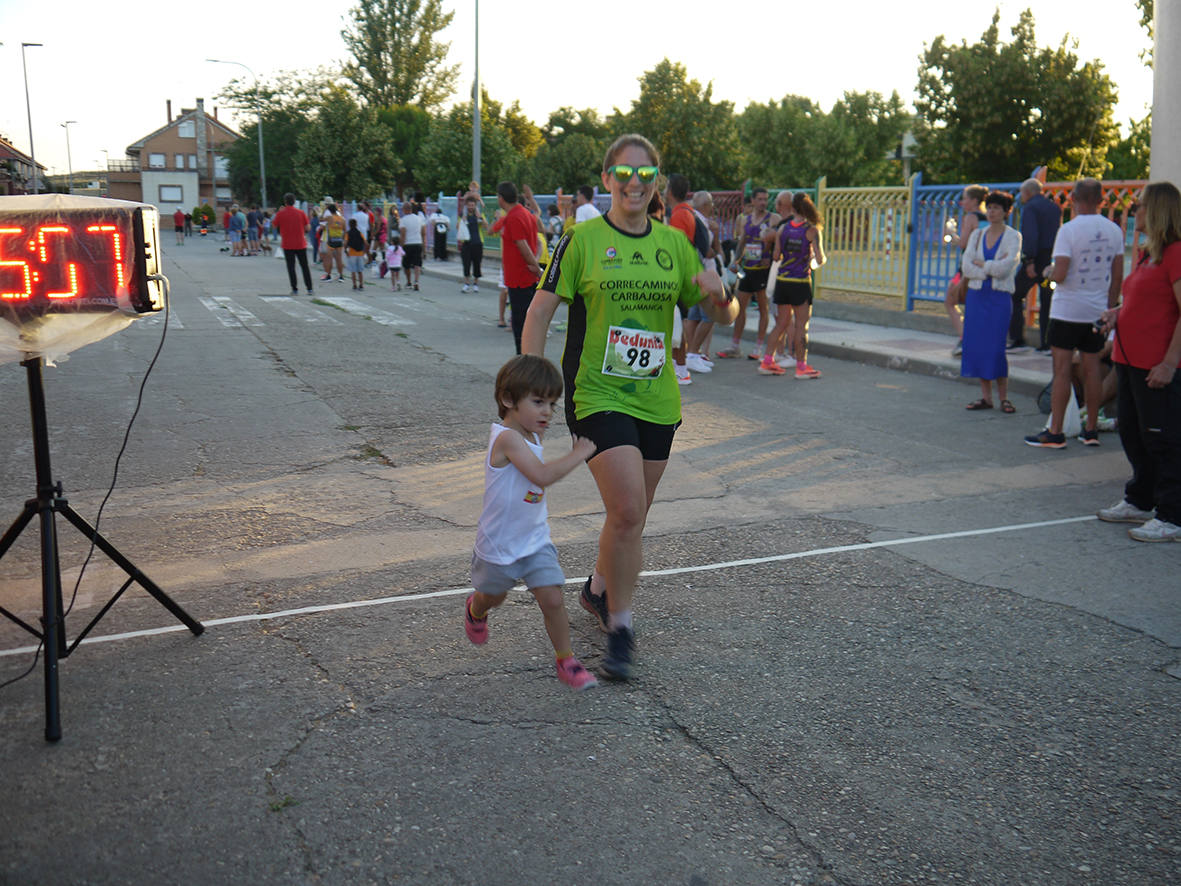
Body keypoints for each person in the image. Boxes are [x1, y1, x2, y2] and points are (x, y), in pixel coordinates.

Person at [521, 133, 740, 680]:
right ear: (607, 179)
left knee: (632, 517)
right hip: (597, 392)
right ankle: (620, 626)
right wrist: (529, 389)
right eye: (624, 173)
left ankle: (598, 589)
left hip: (657, 398)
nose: (634, 183)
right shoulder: (581, 240)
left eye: (645, 175)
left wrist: (722, 295)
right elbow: (540, 311)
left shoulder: (674, 245)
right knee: (626, 511)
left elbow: (724, 313)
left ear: (656, 181)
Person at [466, 355, 599, 690]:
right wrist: (578, 453)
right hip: (499, 544)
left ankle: (566, 660)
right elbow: (540, 476)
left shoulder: (531, 435)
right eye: (538, 402)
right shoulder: (508, 438)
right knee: (493, 596)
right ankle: (476, 609)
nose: (547, 412)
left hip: (535, 541)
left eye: (552, 404)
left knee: (552, 598)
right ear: (508, 400)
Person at [1096, 181, 1181, 541]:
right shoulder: (1150, 253)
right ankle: (1141, 498)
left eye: (1141, 205)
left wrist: (1169, 363)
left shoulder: (1175, 253)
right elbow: (1142, 300)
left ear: (1158, 210)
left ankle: (1173, 514)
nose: (1135, 210)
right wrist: (1117, 312)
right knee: (1133, 432)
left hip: (1156, 364)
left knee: (1164, 439)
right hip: (1129, 360)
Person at [1025, 179, 1124, 448]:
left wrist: (1048, 272)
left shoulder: (1068, 230)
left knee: (1062, 370)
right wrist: (1108, 307)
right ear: (1101, 200)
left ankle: (1056, 431)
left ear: (1074, 200)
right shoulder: (1114, 230)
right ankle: (1090, 429)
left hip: (1067, 309)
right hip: (1096, 310)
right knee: (1092, 371)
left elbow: (1060, 273)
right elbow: (1117, 276)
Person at [959, 190, 1021, 410]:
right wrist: (989, 269)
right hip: (977, 296)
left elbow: (1007, 268)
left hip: (998, 298)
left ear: (1006, 212)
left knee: (996, 348)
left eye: (997, 208)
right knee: (977, 346)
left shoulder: (1013, 236)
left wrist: (983, 265)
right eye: (990, 207)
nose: (992, 212)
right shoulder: (977, 235)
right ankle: (986, 397)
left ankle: (1004, 397)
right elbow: (966, 266)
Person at [758, 192, 827, 378]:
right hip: (800, 282)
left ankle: (767, 362)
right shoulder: (812, 230)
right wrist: (810, 259)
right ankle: (801, 367)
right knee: (801, 326)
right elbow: (820, 259)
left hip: (782, 281)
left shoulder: (783, 229)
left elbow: (776, 256)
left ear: (793, 208)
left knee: (781, 324)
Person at [720, 187, 776, 359]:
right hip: (748, 269)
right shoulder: (746, 220)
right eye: (760, 199)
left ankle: (758, 348)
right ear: (752, 201)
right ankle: (735, 346)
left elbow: (778, 240)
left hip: (763, 270)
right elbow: (742, 242)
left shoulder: (773, 218)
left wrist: (770, 257)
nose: (763, 203)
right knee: (740, 307)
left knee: (763, 308)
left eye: (765, 199)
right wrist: (735, 261)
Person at [491, 181, 544, 354]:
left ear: (501, 198)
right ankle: (529, 359)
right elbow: (537, 243)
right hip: (526, 277)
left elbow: (523, 247)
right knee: (529, 325)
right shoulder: (526, 214)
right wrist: (535, 264)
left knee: (521, 328)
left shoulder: (514, 217)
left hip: (519, 280)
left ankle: (524, 362)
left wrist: (537, 268)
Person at [1012, 178, 1062, 350]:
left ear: (1027, 192)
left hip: (1035, 261)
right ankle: (1047, 343)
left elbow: (1031, 235)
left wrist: (1029, 261)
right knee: (1047, 299)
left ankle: (1018, 339)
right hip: (1049, 261)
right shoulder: (1054, 207)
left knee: (1015, 295)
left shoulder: (1030, 207)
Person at [945, 185, 988, 355]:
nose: (962, 202)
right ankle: (973, 339)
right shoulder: (987, 217)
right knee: (974, 304)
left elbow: (963, 243)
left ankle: (965, 339)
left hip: (966, 267)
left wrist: (951, 234)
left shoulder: (971, 217)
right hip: (983, 265)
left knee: (950, 301)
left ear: (974, 200)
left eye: (965, 198)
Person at [274, 193, 314, 295]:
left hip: (287, 244)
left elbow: (274, 225)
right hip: (300, 243)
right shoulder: (301, 213)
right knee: (304, 266)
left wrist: (279, 212)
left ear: (285, 202)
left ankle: (295, 289)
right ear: (294, 201)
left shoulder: (281, 214)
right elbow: (308, 228)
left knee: (291, 267)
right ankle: (309, 288)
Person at [457, 192, 485, 293]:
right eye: (469, 205)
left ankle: (476, 284)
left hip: (477, 243)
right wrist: (463, 220)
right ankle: (466, 283)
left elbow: (485, 226)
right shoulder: (462, 215)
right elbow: (457, 227)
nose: (471, 207)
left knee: (477, 264)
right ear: (466, 205)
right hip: (466, 243)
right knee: (466, 263)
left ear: (475, 205)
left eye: (473, 205)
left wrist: (480, 218)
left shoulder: (479, 214)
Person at [399, 201, 426, 291]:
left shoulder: (403, 220)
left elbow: (403, 234)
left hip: (407, 244)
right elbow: (423, 233)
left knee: (406, 264)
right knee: (417, 263)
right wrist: (424, 247)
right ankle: (416, 281)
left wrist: (401, 247)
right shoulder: (419, 219)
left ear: (404, 210)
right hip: (418, 243)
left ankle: (409, 282)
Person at [319, 204, 346, 281]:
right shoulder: (342, 219)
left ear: (330, 211)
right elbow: (345, 230)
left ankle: (329, 275)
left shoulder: (329, 217)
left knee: (329, 259)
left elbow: (320, 219)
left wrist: (324, 210)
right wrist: (343, 239)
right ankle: (341, 276)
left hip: (331, 240)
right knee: (339, 259)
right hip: (339, 240)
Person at [345, 218, 367, 290]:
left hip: (352, 253)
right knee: (360, 271)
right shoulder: (359, 233)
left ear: (349, 225)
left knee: (353, 271)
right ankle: (361, 285)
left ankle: (354, 285)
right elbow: (366, 243)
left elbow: (345, 243)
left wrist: (346, 251)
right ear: (356, 225)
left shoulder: (348, 233)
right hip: (360, 253)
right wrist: (364, 251)